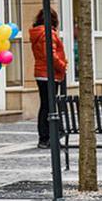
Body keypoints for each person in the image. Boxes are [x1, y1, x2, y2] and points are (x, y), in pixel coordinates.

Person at [29, 8, 67, 149]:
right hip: (49, 74)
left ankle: (47, 137)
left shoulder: (38, 33)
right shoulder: (47, 34)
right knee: (49, 106)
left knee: (46, 105)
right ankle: (46, 137)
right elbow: (50, 55)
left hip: (41, 73)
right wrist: (62, 66)